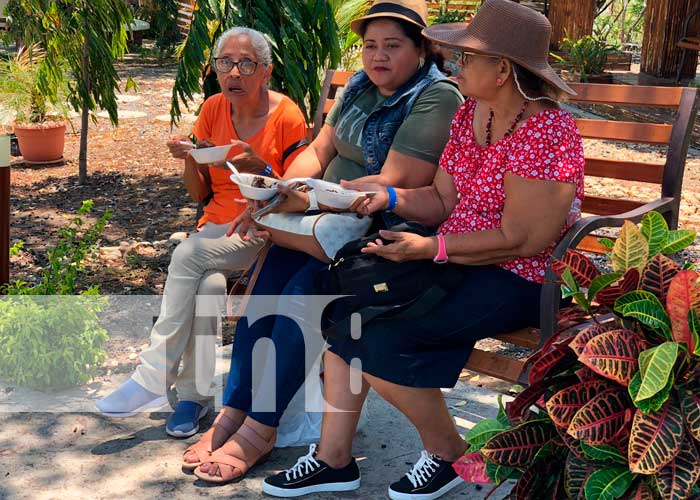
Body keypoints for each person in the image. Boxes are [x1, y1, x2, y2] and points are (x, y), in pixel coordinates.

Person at [262, 1, 586, 499]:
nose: (456, 64)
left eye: (468, 57)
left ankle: (451, 455)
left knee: (383, 342)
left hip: (520, 277)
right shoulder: (470, 114)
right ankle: (333, 460)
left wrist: (431, 249)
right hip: (455, 258)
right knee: (348, 312)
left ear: (503, 69)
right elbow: (441, 199)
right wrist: (384, 197)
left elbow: (525, 239)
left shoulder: (548, 131)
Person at [184, 0, 464, 485]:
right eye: (370, 45)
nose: (377, 57)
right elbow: (319, 149)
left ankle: (259, 430)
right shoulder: (359, 86)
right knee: (264, 291)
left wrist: (306, 201)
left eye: (392, 46)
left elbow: (399, 179)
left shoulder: (435, 96)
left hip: (381, 235)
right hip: (321, 221)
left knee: (300, 299)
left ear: (420, 51)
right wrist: (283, 193)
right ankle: (235, 411)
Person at [95, 27, 309, 439]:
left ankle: (153, 376)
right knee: (208, 285)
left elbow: (296, 191)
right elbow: (200, 192)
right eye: (225, 62)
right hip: (215, 229)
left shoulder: (287, 115)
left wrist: (256, 166)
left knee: (189, 255)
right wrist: (190, 159)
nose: (234, 72)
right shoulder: (213, 108)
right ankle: (193, 398)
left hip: (264, 229)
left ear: (265, 71)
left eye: (246, 63)